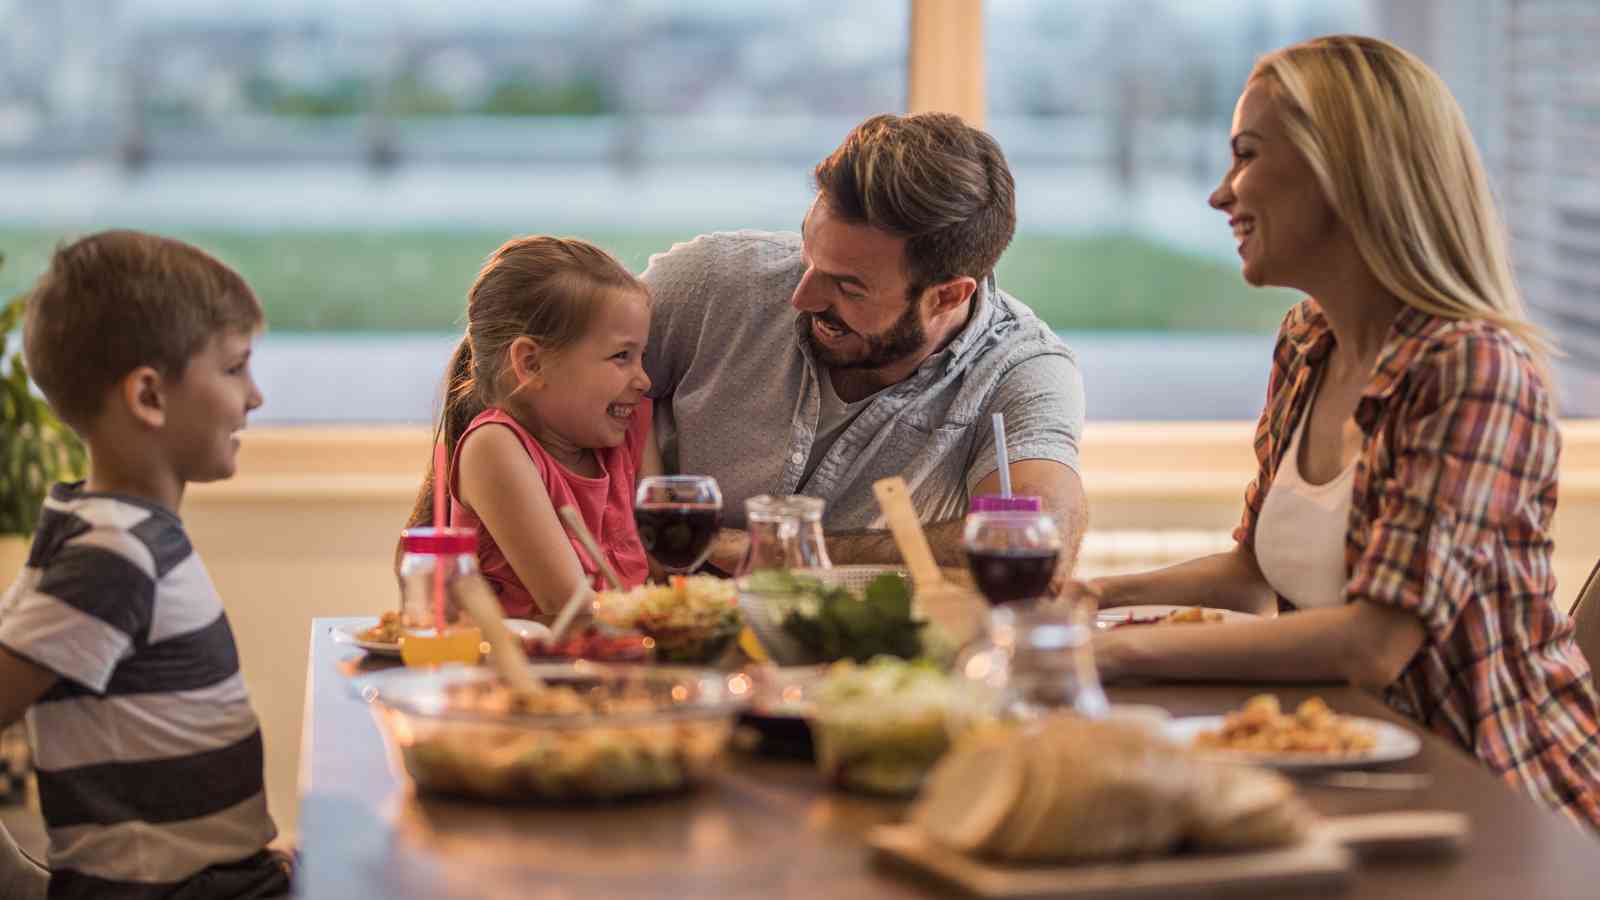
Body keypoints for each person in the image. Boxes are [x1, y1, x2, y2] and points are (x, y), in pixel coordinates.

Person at [1082, 35, 1600, 828]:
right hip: (1351, 770)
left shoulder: (1474, 370)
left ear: (1344, 169)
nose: (1222, 196)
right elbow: (1252, 572)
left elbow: (1372, 644)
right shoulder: (1307, 341)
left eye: (1246, 156)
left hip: (1497, 800)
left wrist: (1105, 651)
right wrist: (1087, 600)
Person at [640, 112, 1087, 577]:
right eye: (808, 255)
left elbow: (1042, 540)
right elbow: (559, 385)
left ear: (947, 296)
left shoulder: (1022, 370)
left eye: (850, 288)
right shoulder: (713, 280)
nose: (802, 297)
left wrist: (790, 550)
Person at [0, 231, 291, 897]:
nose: (255, 396)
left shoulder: (114, 533)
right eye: (233, 368)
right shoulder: (115, 552)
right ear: (149, 396)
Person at [404, 236, 657, 619]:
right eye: (621, 356)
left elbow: (663, 567)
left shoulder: (633, 427)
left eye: (642, 356)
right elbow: (570, 608)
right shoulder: (494, 448)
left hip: (617, 669)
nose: (643, 380)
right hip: (523, 675)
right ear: (531, 364)